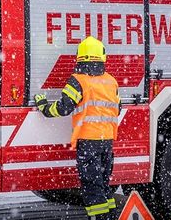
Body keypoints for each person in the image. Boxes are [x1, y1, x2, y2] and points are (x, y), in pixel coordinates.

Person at [34, 36, 120, 220]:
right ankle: (110, 216)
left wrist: (44, 107)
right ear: (102, 56)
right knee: (103, 183)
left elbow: (63, 108)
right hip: (107, 140)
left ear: (80, 57)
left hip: (89, 141)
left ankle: (99, 217)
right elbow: (117, 108)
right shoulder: (111, 81)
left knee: (92, 185)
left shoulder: (78, 81)